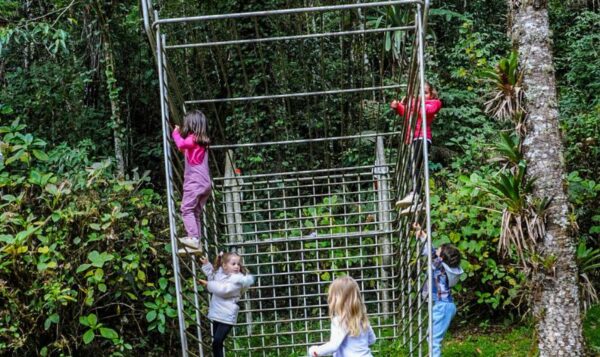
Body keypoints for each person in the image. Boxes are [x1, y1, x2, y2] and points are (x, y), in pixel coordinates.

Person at [391, 82, 442, 215]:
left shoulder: (434, 103)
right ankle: (417, 199)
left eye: (425, 93)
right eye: (420, 92)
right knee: (412, 166)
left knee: (413, 165)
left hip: (423, 138)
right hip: (414, 139)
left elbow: (425, 111)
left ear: (431, 94)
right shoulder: (415, 104)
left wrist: (412, 101)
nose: (422, 95)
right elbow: (406, 113)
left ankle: (417, 195)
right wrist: (397, 107)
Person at [413, 222, 463, 357]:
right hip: (444, 305)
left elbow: (431, 251)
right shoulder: (443, 266)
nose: (436, 251)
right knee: (432, 336)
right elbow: (431, 251)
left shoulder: (439, 266)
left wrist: (423, 236)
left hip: (443, 306)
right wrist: (422, 234)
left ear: (441, 258)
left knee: (434, 339)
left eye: (438, 250)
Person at [199, 252, 254, 357]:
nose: (237, 266)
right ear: (224, 265)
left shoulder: (239, 280)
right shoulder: (221, 275)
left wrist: (207, 284)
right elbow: (213, 277)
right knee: (216, 344)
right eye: (233, 264)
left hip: (227, 316)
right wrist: (207, 264)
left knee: (217, 342)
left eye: (238, 264)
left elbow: (224, 290)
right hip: (217, 313)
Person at [172, 110, 211, 254]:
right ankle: (197, 242)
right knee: (195, 212)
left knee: (187, 209)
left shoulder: (192, 138)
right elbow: (186, 151)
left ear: (191, 124)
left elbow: (181, 145)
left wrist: (175, 133)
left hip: (194, 182)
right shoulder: (201, 142)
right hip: (205, 184)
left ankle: (194, 239)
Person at [308, 276, 376, 357]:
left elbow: (333, 346)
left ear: (337, 299)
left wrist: (315, 351)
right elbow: (372, 340)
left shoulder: (340, 320)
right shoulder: (362, 319)